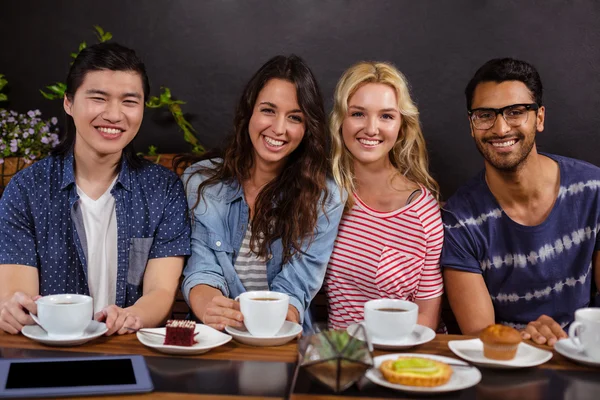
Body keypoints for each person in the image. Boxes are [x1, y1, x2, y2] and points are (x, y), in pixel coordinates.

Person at [0, 42, 191, 336]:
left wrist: (130, 317)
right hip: (50, 352)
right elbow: (20, 295)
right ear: (68, 102)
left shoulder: (163, 190)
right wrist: (15, 309)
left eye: (129, 101)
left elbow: (161, 291)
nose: (114, 115)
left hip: (130, 349)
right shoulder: (27, 189)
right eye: (99, 98)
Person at [441, 57, 600, 346]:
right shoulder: (459, 219)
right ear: (471, 123)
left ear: (539, 118)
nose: (500, 129)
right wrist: (528, 338)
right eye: (485, 115)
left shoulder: (593, 189)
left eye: (515, 112)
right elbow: (480, 335)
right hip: (508, 364)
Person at [180, 55, 344, 332]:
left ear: (307, 129)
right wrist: (209, 304)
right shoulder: (202, 182)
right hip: (213, 337)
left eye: (294, 117)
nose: (278, 129)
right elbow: (202, 267)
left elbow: (295, 289)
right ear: (249, 113)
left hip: (281, 339)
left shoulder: (325, 196)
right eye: (268, 110)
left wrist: (266, 323)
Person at [324, 61, 444, 331]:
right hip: (342, 356)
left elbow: (427, 318)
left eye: (386, 116)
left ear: (402, 125)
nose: (371, 128)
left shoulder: (421, 213)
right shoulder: (327, 196)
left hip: (397, 357)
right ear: (341, 120)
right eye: (358, 114)